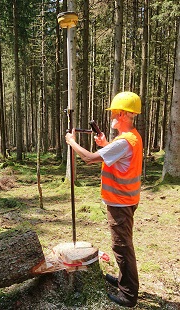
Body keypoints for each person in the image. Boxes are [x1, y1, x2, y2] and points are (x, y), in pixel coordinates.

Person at [65, 91, 143, 308]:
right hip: (126, 199)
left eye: (115, 113)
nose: (111, 117)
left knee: (121, 247)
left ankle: (128, 295)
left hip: (120, 202)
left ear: (124, 114)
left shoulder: (125, 141)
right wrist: (105, 144)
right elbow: (118, 160)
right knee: (122, 244)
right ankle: (122, 281)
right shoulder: (130, 137)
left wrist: (71, 142)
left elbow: (88, 159)